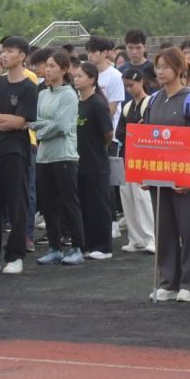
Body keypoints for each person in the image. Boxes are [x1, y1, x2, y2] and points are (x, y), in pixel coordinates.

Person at [145, 46, 190, 302]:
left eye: (165, 67)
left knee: (188, 230)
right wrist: (145, 173)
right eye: (158, 67)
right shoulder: (153, 100)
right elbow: (146, 139)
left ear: (179, 69)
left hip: (183, 177)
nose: (160, 71)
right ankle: (167, 281)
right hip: (159, 176)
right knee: (164, 229)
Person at [0, 36, 39, 273]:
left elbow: (22, 122)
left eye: (10, 51)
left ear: (22, 56)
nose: (3, 55)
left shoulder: (29, 87)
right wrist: (9, 120)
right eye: (3, 51)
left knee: (17, 202)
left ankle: (15, 255)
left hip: (17, 150)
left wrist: (2, 121)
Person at [33, 51, 82, 265]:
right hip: (44, 156)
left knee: (69, 203)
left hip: (64, 156)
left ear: (63, 70)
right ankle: (55, 247)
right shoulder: (43, 94)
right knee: (48, 205)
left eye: (52, 66)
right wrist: (43, 128)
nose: (48, 69)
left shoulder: (69, 94)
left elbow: (62, 126)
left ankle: (77, 247)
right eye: (47, 65)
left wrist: (41, 130)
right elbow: (35, 122)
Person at [72, 60, 117, 263]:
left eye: (80, 76)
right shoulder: (78, 102)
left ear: (92, 79)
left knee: (99, 205)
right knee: (84, 204)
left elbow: (108, 133)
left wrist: (97, 148)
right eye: (75, 76)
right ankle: (88, 244)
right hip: (79, 161)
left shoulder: (98, 103)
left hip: (96, 162)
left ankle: (103, 246)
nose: (76, 79)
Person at [119, 65, 158, 256]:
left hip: (144, 157)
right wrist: (135, 129)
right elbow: (120, 132)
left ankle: (151, 237)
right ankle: (135, 239)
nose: (128, 89)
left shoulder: (149, 103)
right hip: (128, 156)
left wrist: (134, 130)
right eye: (126, 86)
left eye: (131, 85)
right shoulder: (128, 107)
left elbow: (149, 129)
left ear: (141, 82)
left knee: (143, 199)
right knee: (128, 198)